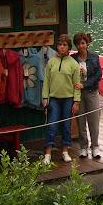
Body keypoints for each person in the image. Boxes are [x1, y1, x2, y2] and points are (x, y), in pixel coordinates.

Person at [42, 34, 81, 165]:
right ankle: (47, 154)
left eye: (64, 45)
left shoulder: (74, 64)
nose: (62, 47)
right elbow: (46, 81)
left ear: (69, 48)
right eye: (60, 45)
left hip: (68, 99)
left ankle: (65, 151)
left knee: (66, 126)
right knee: (51, 125)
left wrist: (76, 101)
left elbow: (77, 85)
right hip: (53, 99)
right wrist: (45, 97)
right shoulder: (51, 62)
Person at [72, 32, 102, 159]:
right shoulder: (72, 59)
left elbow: (98, 75)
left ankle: (95, 146)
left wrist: (85, 84)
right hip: (78, 95)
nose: (81, 46)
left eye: (83, 43)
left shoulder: (94, 58)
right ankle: (83, 147)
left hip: (92, 92)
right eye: (78, 44)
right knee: (81, 120)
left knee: (94, 121)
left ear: (87, 43)